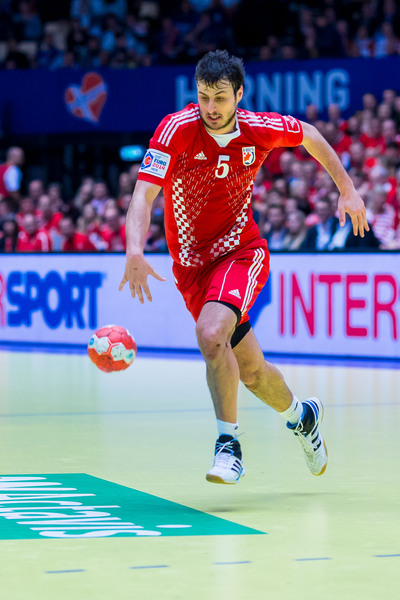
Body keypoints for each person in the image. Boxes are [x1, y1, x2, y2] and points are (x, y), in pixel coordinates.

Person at [119, 50, 368, 485]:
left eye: (220, 98)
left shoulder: (259, 129)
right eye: (203, 97)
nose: (210, 108)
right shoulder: (176, 129)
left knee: (210, 333)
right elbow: (143, 194)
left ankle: (228, 445)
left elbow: (310, 135)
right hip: (192, 269)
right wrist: (134, 250)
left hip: (240, 253)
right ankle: (303, 417)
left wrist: (346, 188)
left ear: (239, 94)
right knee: (251, 371)